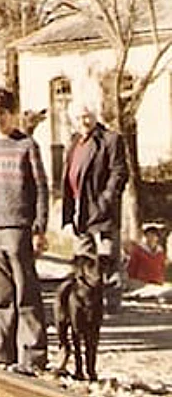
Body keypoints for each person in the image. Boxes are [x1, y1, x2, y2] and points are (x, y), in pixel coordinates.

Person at [0, 87, 49, 376]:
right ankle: (5, 346)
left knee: (26, 292)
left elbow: (41, 189)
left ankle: (33, 353)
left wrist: (39, 228)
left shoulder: (27, 145)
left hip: (18, 227)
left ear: (12, 114)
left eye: (3, 113)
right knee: (0, 294)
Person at [61, 101, 128, 312]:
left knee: (108, 259)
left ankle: (112, 305)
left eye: (87, 116)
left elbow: (119, 173)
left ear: (95, 116)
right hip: (80, 210)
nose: (84, 121)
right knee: (84, 260)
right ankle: (88, 302)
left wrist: (105, 201)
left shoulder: (110, 139)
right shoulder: (74, 142)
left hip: (103, 211)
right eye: (79, 118)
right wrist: (68, 212)